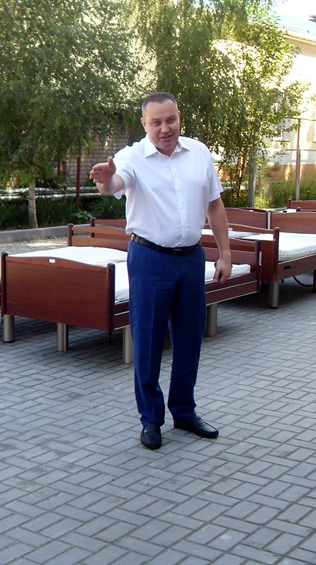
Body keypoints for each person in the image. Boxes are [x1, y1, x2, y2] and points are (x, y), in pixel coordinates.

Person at [89, 92, 232, 450]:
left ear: (179, 118)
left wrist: (225, 254)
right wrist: (105, 180)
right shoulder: (131, 157)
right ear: (144, 124)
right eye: (156, 122)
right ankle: (151, 419)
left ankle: (184, 411)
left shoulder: (199, 152)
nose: (165, 128)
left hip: (191, 259)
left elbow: (215, 206)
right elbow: (114, 184)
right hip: (150, 259)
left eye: (171, 120)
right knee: (149, 341)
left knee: (189, 340)